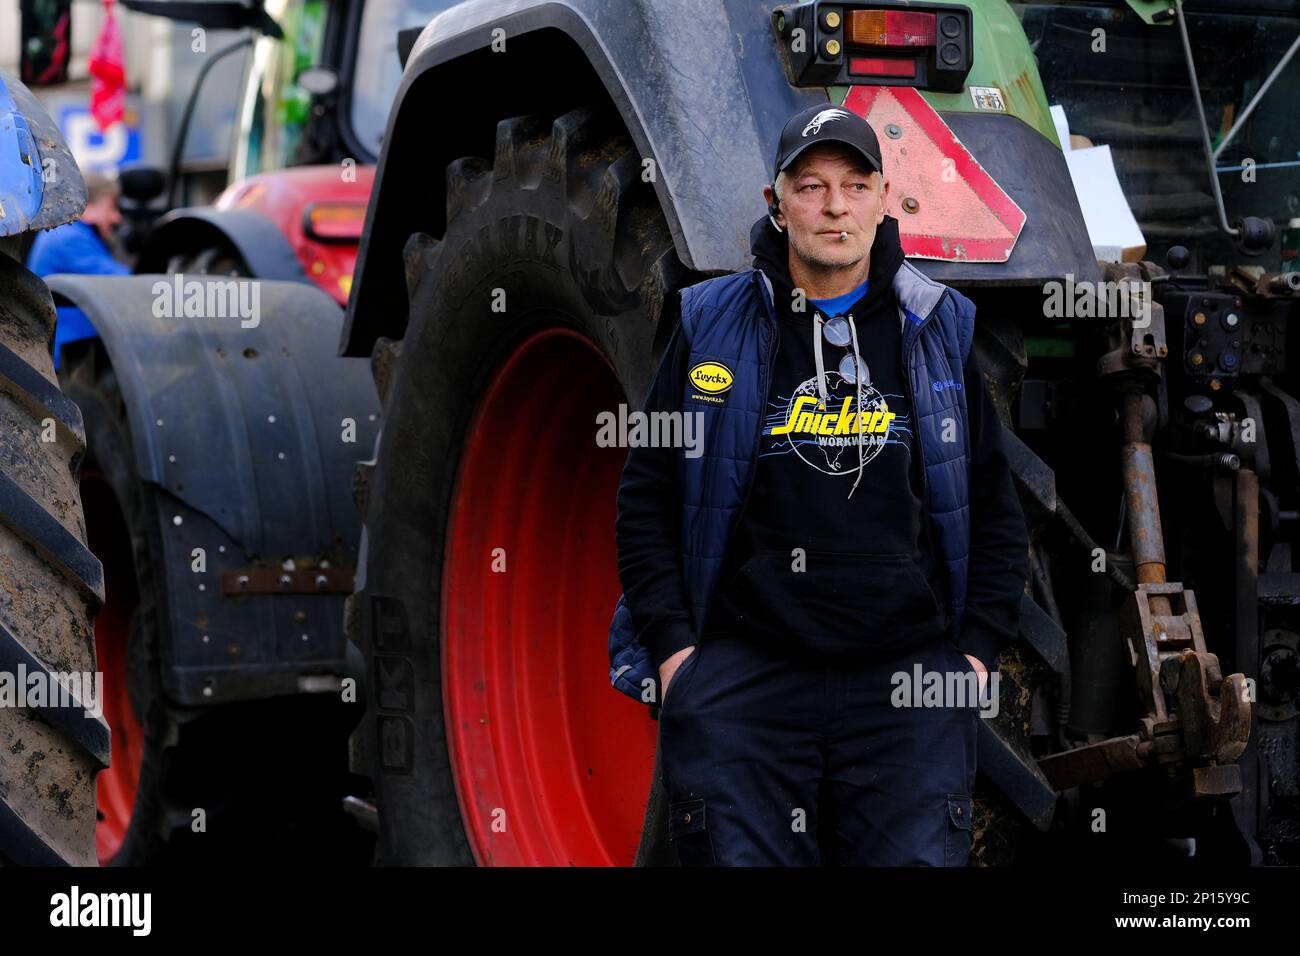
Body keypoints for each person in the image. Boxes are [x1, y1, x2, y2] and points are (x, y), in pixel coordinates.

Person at [610, 103, 1028, 866]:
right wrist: (676, 656)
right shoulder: (709, 326)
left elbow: (994, 506)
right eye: (811, 186)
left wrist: (973, 656)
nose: (834, 206)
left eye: (853, 184)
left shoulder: (936, 328)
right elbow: (645, 498)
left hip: (907, 689)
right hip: (749, 684)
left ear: (883, 197)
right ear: (777, 201)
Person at [27, 170, 128, 367]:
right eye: (111, 208)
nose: (117, 218)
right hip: (67, 363)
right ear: (88, 206)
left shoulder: (71, 233)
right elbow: (122, 283)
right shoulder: (69, 239)